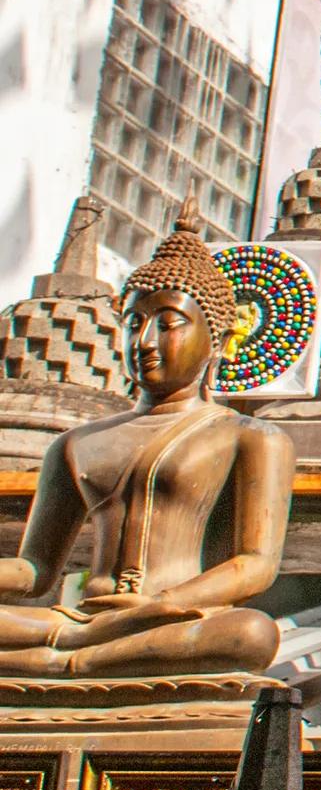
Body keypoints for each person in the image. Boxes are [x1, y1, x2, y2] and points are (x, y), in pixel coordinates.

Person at [0, 200, 292, 678]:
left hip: (167, 616)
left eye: (169, 324)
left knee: (251, 633)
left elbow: (255, 564)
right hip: (81, 616)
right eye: (135, 323)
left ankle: (72, 658)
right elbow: (35, 571)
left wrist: (159, 604)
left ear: (216, 339)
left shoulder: (250, 437)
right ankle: (77, 651)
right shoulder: (73, 444)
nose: (145, 341)